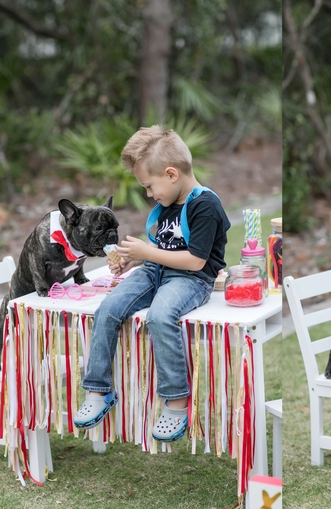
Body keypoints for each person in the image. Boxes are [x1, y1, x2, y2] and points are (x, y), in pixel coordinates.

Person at [73, 126, 230, 442]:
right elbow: (167, 248)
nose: (148, 194)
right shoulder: (169, 200)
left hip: (191, 279)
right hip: (156, 271)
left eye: (149, 186)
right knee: (108, 309)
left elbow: (195, 261)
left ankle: (176, 401)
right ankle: (98, 389)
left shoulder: (205, 205)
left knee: (160, 317)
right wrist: (135, 258)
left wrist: (148, 251)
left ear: (171, 174)